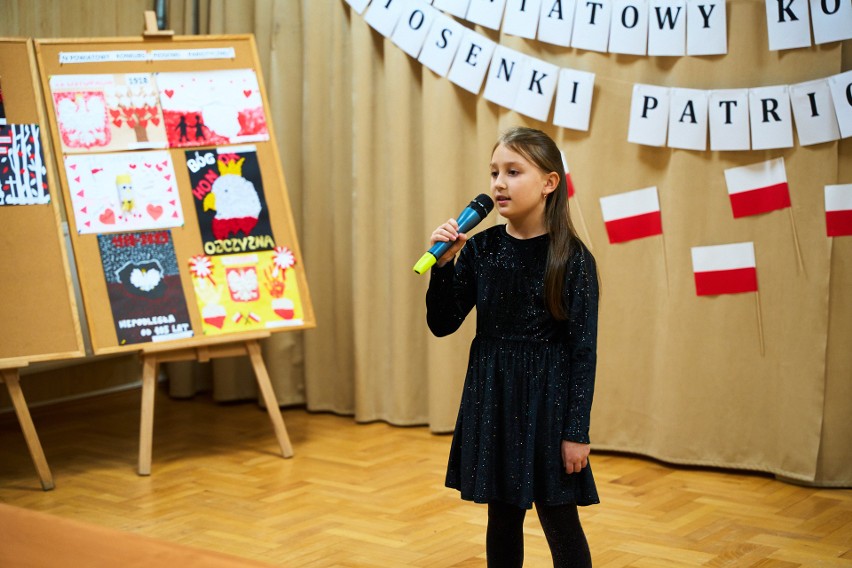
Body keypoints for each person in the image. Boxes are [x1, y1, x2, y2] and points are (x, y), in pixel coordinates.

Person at [424, 126, 600, 567]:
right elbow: (442, 323)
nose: (498, 184)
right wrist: (443, 267)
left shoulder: (572, 259)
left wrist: (576, 432)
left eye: (513, 171)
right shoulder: (481, 249)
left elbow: (583, 352)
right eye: (494, 172)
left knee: (559, 519)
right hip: (494, 398)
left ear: (549, 183)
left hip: (549, 404)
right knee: (501, 519)